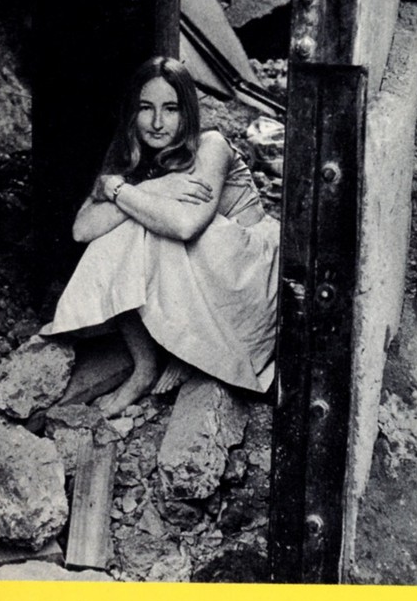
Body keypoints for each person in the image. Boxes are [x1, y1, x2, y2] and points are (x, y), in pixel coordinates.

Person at [41, 56, 281, 417]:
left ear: (188, 113)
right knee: (125, 227)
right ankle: (146, 366)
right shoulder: (129, 153)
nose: (157, 122)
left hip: (247, 278)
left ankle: (183, 355)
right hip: (203, 277)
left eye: (171, 109)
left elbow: (186, 226)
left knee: (140, 225)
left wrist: (121, 191)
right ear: (132, 113)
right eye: (145, 108)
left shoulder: (211, 144)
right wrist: (152, 187)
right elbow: (83, 230)